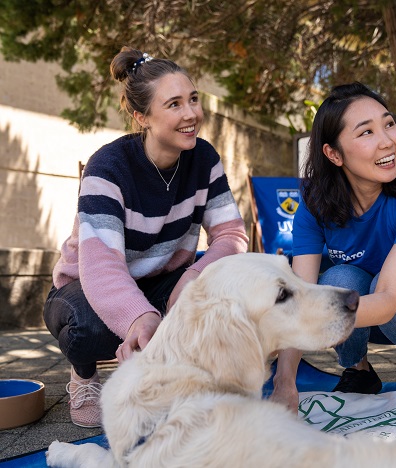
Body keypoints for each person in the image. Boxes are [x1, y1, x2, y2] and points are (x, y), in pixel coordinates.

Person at [43, 46, 249, 428]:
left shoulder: (204, 159)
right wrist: (139, 319)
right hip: (86, 284)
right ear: (142, 116)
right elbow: (102, 264)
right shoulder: (108, 167)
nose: (191, 114)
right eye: (173, 104)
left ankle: (183, 376)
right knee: (88, 328)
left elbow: (231, 233)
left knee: (227, 291)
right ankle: (84, 376)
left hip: (163, 278)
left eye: (193, 99)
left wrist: (193, 277)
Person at [271, 82, 396, 411]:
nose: (387, 141)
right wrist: (284, 383)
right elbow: (301, 291)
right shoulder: (315, 205)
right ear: (334, 154)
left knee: (378, 285)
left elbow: (392, 297)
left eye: (389, 124)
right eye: (366, 132)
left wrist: (314, 315)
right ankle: (359, 370)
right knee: (336, 279)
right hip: (370, 312)